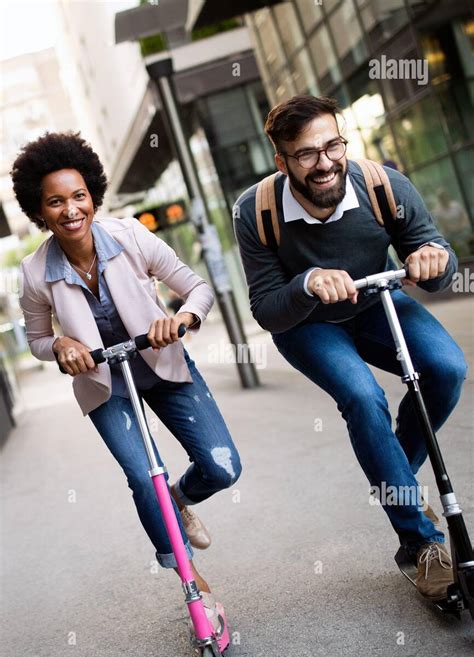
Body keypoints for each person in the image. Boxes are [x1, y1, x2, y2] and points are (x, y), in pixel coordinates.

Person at [233, 95, 468, 602]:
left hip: (377, 303)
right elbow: (267, 308)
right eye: (306, 154)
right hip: (309, 324)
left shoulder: (384, 185)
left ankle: (393, 478)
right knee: (364, 399)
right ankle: (420, 541)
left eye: (332, 145)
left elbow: (435, 255)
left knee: (447, 368)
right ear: (282, 161)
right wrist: (308, 282)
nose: (325, 162)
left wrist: (434, 259)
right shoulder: (256, 211)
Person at [12, 131, 241, 626]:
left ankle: (178, 500)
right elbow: (36, 339)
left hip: (165, 367)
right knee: (143, 478)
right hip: (105, 385)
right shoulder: (34, 274)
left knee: (223, 469)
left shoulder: (131, 236)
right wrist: (60, 345)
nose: (70, 210)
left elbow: (196, 288)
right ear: (40, 210)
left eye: (79, 196)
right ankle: (194, 586)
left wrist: (180, 321)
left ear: (93, 195)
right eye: (55, 202)